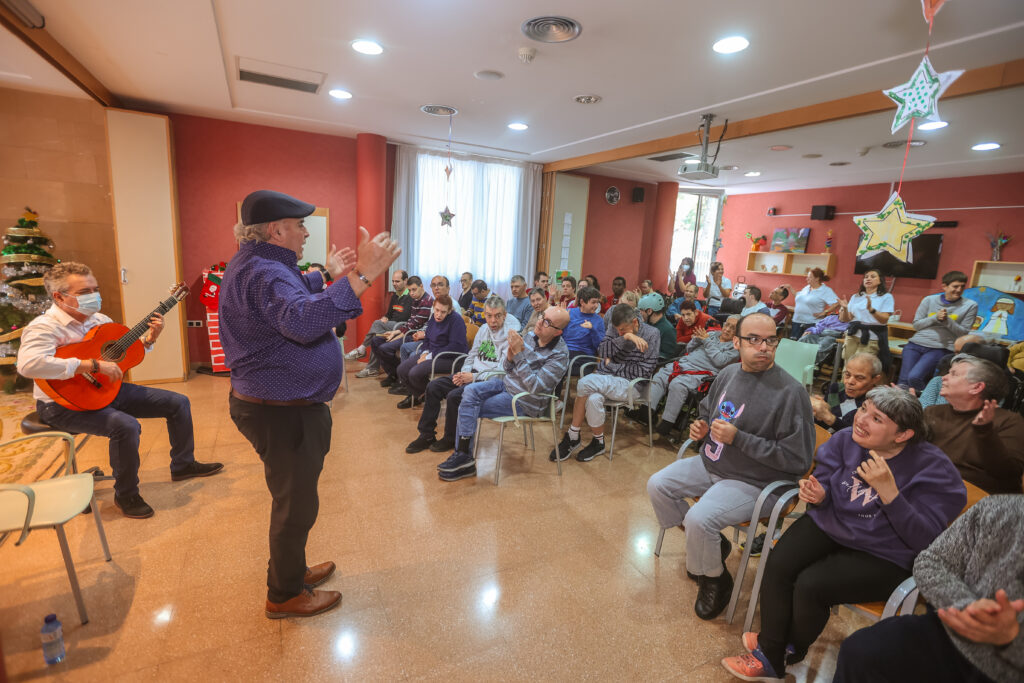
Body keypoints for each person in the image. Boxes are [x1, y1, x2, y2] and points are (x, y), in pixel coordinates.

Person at [219, 189, 400, 619]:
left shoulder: (258, 263)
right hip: (283, 411)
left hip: (275, 404)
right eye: (300, 225)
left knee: (292, 498)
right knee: (295, 505)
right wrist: (364, 276)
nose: (305, 233)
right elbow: (301, 320)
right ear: (276, 230)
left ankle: (293, 569)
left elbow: (289, 299)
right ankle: (283, 595)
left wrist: (326, 276)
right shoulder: (265, 272)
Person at [721, 387, 967, 681]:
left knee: (812, 586)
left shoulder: (934, 469)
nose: (861, 419)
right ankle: (772, 651)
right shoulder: (845, 439)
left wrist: (890, 494)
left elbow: (925, 540)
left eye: (877, 418)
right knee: (779, 563)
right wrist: (820, 493)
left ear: (902, 435)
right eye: (864, 409)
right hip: (834, 524)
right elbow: (826, 482)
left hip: (887, 551)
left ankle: (785, 647)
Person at [17, 262, 223, 520]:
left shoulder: (101, 321)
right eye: (84, 292)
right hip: (60, 404)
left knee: (177, 402)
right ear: (59, 296)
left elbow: (121, 357)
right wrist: (90, 364)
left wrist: (149, 339)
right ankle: (126, 494)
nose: (94, 295)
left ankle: (183, 465)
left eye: (96, 288)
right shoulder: (44, 327)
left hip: (106, 390)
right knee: (125, 426)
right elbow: (28, 365)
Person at [646, 313, 814, 620]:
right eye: (754, 339)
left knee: (699, 519)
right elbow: (709, 411)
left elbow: (798, 460)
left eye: (771, 340)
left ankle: (715, 579)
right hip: (714, 464)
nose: (763, 347)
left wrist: (741, 439)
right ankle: (712, 543)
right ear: (736, 342)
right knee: (657, 485)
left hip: (758, 481)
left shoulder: (791, 393)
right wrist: (700, 427)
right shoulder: (728, 373)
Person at [832, 488, 1024, 683]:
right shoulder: (999, 509)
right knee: (858, 653)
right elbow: (930, 561)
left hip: (1010, 668)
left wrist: (1012, 638)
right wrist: (965, 607)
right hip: (950, 634)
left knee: (812, 588)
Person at [435, 306, 571, 482]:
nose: (540, 322)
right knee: (468, 391)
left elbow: (535, 387)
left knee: (469, 405)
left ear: (558, 331)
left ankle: (463, 456)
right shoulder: (530, 337)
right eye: (541, 317)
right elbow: (508, 369)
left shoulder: (560, 355)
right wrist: (509, 356)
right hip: (506, 384)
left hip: (525, 401)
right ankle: (464, 456)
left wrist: (519, 355)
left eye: (547, 322)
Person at [551, 303, 661, 463]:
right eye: (617, 330)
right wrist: (625, 337)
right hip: (606, 379)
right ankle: (598, 442)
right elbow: (602, 352)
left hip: (632, 385)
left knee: (583, 384)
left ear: (635, 322)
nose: (618, 332)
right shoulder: (616, 328)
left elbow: (643, 371)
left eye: (623, 330)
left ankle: (573, 435)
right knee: (594, 399)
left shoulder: (652, 334)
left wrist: (611, 366)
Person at [406, 296, 513, 453]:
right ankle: (426, 434)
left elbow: (501, 371)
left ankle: (450, 438)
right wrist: (465, 372)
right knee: (433, 386)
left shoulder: (509, 337)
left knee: (454, 396)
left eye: (497, 316)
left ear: (504, 315)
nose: (493, 320)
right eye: (489, 315)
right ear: (484, 314)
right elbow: (471, 355)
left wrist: (473, 378)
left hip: (488, 381)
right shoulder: (483, 329)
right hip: (471, 374)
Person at [925, 354, 1024, 494]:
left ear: (976, 387)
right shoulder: (933, 412)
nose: (944, 377)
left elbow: (1007, 472)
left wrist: (985, 431)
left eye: (954, 374)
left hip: (981, 500)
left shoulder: (1009, 421)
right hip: (931, 487)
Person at [647, 315, 740, 436]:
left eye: (733, 328)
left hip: (702, 373)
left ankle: (667, 423)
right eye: (727, 325)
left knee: (678, 384)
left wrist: (706, 341)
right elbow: (689, 349)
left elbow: (720, 361)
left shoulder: (735, 347)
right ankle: (647, 412)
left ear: (738, 332)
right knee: (660, 375)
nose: (727, 329)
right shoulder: (712, 334)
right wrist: (696, 339)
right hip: (684, 364)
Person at [898, 270, 979, 392]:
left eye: (962, 286)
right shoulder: (929, 300)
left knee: (914, 378)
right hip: (915, 344)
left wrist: (947, 321)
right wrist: (935, 318)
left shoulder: (970, 305)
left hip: (941, 348)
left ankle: (926, 402)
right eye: (955, 286)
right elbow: (917, 325)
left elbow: (963, 333)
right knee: (903, 382)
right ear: (944, 286)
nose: (959, 290)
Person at [392, 295, 468, 408]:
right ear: (434, 307)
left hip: (450, 357)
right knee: (402, 370)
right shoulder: (433, 317)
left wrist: (429, 356)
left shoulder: (456, 320)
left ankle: (430, 397)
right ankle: (423, 395)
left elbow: (455, 346)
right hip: (433, 353)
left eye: (443, 312)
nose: (439, 314)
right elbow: (428, 338)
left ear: (449, 311)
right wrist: (425, 353)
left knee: (414, 373)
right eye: (437, 310)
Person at [369, 276, 433, 389]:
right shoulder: (416, 300)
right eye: (410, 290)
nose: (411, 293)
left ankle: (398, 374)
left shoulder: (427, 302)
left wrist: (396, 335)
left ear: (421, 286)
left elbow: (414, 325)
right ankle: (393, 374)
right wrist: (394, 333)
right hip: (407, 331)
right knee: (375, 341)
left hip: (415, 336)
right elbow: (410, 322)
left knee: (384, 347)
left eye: (414, 289)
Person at [346, 270, 410, 376]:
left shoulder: (410, 296)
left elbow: (405, 317)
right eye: (393, 281)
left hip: (402, 327)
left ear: (405, 281)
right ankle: (372, 369)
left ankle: (362, 349)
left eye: (397, 281)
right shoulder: (395, 295)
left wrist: (385, 323)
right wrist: (385, 317)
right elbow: (389, 313)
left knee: (377, 323)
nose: (394, 284)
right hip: (392, 325)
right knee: (376, 338)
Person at [810, 352, 883, 432]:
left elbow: (858, 435)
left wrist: (829, 418)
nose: (850, 381)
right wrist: (817, 411)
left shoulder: (875, 404)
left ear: (875, 379)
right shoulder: (835, 389)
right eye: (847, 375)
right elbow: (820, 425)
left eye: (859, 378)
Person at [839, 268, 894, 361]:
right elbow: (846, 319)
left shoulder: (886, 297)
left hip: (871, 338)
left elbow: (884, 319)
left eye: (873, 277)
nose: (868, 279)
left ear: (880, 281)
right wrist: (845, 308)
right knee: (847, 367)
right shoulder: (856, 296)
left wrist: (871, 310)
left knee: (859, 366)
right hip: (853, 336)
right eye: (866, 277)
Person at [561, 286, 606, 365]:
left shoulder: (598, 320)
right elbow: (558, 335)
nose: (596, 306)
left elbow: (601, 347)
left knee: (561, 366)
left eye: (597, 302)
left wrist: (592, 330)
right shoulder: (568, 313)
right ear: (582, 302)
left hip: (584, 356)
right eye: (593, 302)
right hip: (565, 351)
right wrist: (560, 321)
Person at [790, 267, 838, 339]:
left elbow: (837, 303)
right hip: (797, 321)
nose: (807, 279)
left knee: (806, 347)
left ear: (817, 279)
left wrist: (825, 312)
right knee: (793, 345)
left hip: (811, 324)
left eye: (809, 277)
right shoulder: (807, 287)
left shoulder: (825, 290)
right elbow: (799, 297)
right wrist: (789, 287)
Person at [638, 292, 678, 361]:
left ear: (649, 311)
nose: (640, 313)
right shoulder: (648, 323)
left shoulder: (668, 330)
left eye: (641, 310)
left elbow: (667, 356)